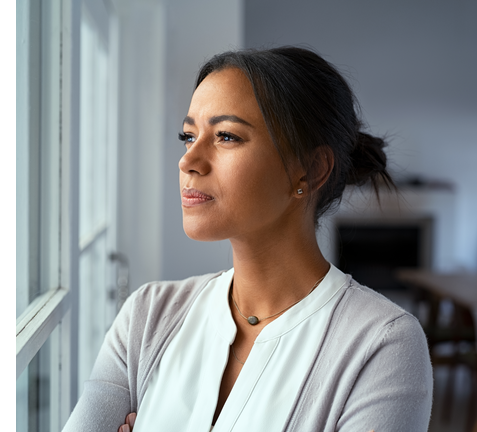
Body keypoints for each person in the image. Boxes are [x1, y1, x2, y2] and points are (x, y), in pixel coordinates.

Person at [62, 46, 433, 432]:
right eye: (188, 136)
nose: (188, 160)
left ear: (309, 171)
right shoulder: (148, 316)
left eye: (226, 136)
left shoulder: (382, 346)